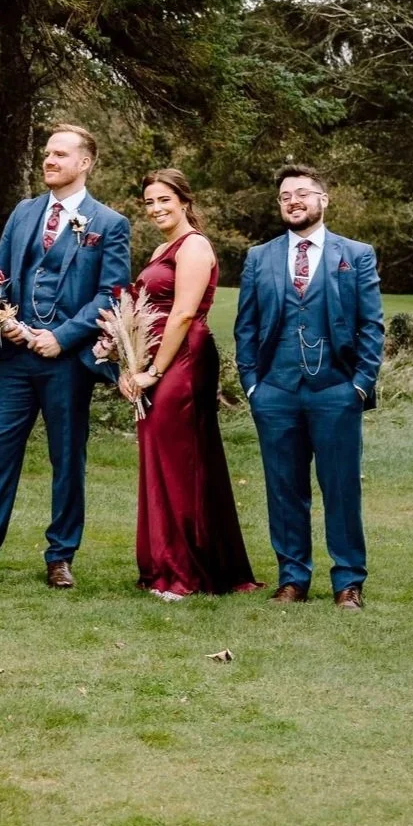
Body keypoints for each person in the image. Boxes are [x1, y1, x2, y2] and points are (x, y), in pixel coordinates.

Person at [0, 124, 130, 588]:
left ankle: (60, 556)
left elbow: (111, 295)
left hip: (67, 362)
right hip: (14, 358)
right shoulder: (23, 213)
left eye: (61, 154)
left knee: (68, 459)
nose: (50, 160)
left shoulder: (109, 224)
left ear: (85, 163)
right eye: (47, 153)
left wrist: (61, 337)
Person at [233, 164, 384, 608]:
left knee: (341, 488)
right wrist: (252, 385)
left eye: (302, 193)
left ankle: (348, 582)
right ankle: (293, 578)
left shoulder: (355, 254)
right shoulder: (260, 256)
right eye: (285, 196)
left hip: (336, 390)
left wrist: (359, 384)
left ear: (323, 200)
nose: (293, 201)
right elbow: (246, 325)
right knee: (283, 489)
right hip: (275, 391)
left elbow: (371, 326)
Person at [118, 169, 257, 601]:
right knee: (160, 458)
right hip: (158, 356)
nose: (156, 208)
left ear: (184, 200)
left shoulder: (195, 246)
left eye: (164, 200)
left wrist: (153, 372)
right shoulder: (163, 247)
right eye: (149, 202)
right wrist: (129, 360)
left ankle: (185, 573)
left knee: (180, 461)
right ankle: (167, 562)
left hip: (184, 359)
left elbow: (181, 314)